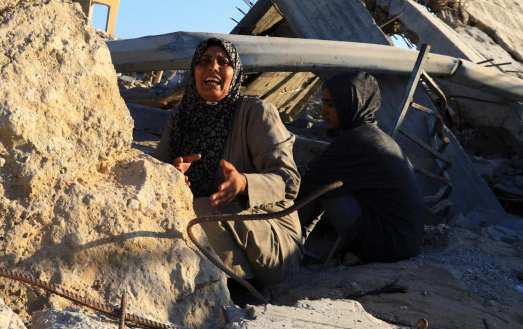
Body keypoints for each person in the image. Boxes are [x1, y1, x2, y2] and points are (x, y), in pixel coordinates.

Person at [155, 37, 302, 288]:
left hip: (272, 240)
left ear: (235, 74)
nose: (213, 67)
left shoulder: (255, 112)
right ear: (194, 71)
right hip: (210, 227)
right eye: (204, 61)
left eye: (223, 62)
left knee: (200, 209)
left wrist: (244, 183)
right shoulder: (182, 116)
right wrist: (173, 175)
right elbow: (154, 172)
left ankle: (237, 288)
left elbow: (289, 182)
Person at [296, 71, 424, 263]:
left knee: (324, 188)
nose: (323, 111)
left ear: (351, 103)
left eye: (331, 105)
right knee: (326, 183)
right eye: (324, 103)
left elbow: (306, 181)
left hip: (392, 246)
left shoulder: (357, 140)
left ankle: (290, 244)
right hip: (406, 243)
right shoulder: (374, 135)